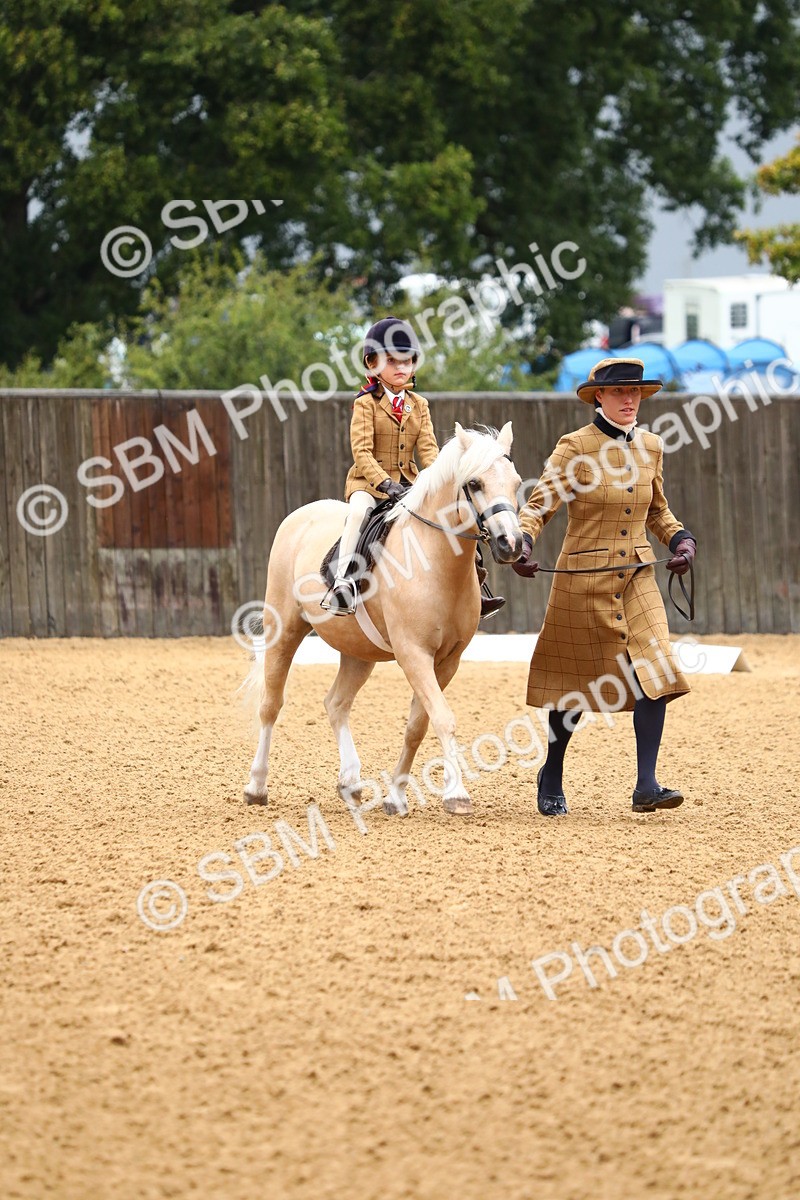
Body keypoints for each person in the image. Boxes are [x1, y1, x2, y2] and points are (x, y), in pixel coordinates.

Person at [513, 357, 697, 815]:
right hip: (582, 578)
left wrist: (681, 539)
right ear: (598, 396)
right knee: (572, 683)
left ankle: (646, 785)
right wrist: (522, 544)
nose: (630, 399)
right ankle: (552, 771)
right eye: (620, 392)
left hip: (637, 574)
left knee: (655, 667)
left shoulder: (652, 446)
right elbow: (539, 504)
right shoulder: (574, 447)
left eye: (635, 392)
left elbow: (657, 509)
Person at [322, 316, 506, 618]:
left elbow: (429, 449)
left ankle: (477, 586)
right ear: (372, 364)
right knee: (357, 514)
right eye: (392, 361)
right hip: (369, 485)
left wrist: (438, 482)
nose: (401, 368)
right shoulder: (366, 403)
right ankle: (343, 584)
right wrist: (384, 484)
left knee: (458, 513)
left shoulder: (419, 404)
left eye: (407, 361)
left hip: (409, 484)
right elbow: (362, 452)